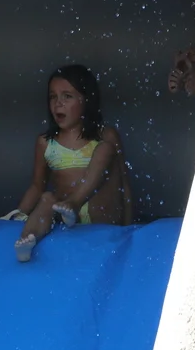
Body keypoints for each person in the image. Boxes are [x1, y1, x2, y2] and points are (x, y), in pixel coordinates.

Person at [7, 64, 133, 262]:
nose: (58, 103)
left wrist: (130, 227)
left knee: (105, 149)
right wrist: (18, 215)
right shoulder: (45, 142)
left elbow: (123, 185)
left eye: (67, 96)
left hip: (100, 211)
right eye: (53, 97)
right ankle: (27, 240)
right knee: (47, 198)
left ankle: (75, 202)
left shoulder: (105, 135)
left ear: (87, 100)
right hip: (68, 217)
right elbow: (37, 186)